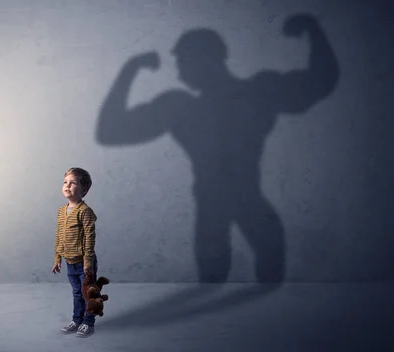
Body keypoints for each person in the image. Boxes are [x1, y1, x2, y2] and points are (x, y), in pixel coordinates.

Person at [96, 14, 339, 283]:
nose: (178, 70)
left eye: (183, 61)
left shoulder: (199, 106)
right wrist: (130, 68)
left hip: (225, 207)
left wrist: (131, 69)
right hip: (237, 207)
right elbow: (110, 132)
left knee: (251, 289)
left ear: (205, 59)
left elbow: (320, 81)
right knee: (243, 288)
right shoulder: (230, 99)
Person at [51, 167, 99, 338]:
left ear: (84, 189)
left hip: (83, 263)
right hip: (70, 262)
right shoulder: (61, 211)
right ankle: (76, 320)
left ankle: (88, 323)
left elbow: (89, 238)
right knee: (77, 293)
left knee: (89, 294)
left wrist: (87, 262)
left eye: (73, 183)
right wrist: (57, 258)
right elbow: (59, 235)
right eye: (65, 182)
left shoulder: (84, 211)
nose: (67, 186)